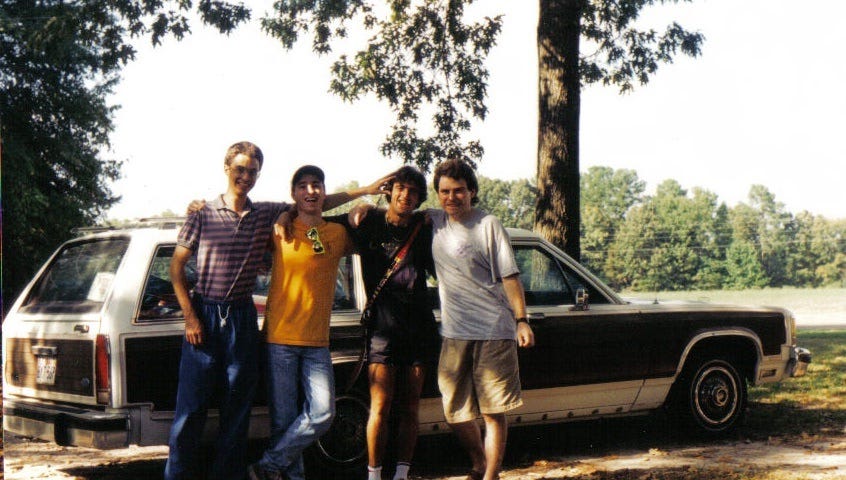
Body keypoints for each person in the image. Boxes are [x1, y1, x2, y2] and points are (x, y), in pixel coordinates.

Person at [167, 143, 388, 480]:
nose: (246, 176)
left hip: (244, 317)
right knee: (191, 410)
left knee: (237, 414)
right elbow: (176, 267)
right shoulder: (205, 213)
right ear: (226, 168)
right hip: (213, 314)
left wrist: (368, 193)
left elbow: (317, 206)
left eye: (253, 170)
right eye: (240, 169)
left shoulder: (270, 216)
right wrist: (191, 317)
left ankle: (247, 473)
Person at [428, 158, 535, 480]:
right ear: (437, 194)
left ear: (471, 191)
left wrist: (522, 320)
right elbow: (393, 214)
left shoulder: (489, 224)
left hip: (493, 330)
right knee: (454, 412)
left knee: (492, 411)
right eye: (445, 191)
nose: (451, 197)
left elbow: (510, 276)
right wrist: (360, 209)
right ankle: (479, 461)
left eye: (459, 191)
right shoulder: (432, 221)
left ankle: (491, 474)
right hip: (454, 333)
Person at [248, 165, 355, 480]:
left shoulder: (337, 234)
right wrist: (285, 214)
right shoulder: (279, 230)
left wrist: (363, 204)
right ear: (293, 194)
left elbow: (375, 232)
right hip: (279, 339)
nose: (311, 191)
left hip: (317, 342)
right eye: (303, 186)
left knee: (322, 414)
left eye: (317, 185)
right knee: (283, 421)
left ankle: (268, 465)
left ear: (324, 191)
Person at [332, 166, 438, 480]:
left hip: (418, 328)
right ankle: (374, 475)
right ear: (389, 190)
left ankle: (401, 475)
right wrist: (362, 199)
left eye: (414, 191)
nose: (406, 195)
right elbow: (314, 228)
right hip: (381, 329)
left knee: (410, 407)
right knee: (380, 406)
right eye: (401, 188)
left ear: (420, 198)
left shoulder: (425, 225)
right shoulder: (368, 222)